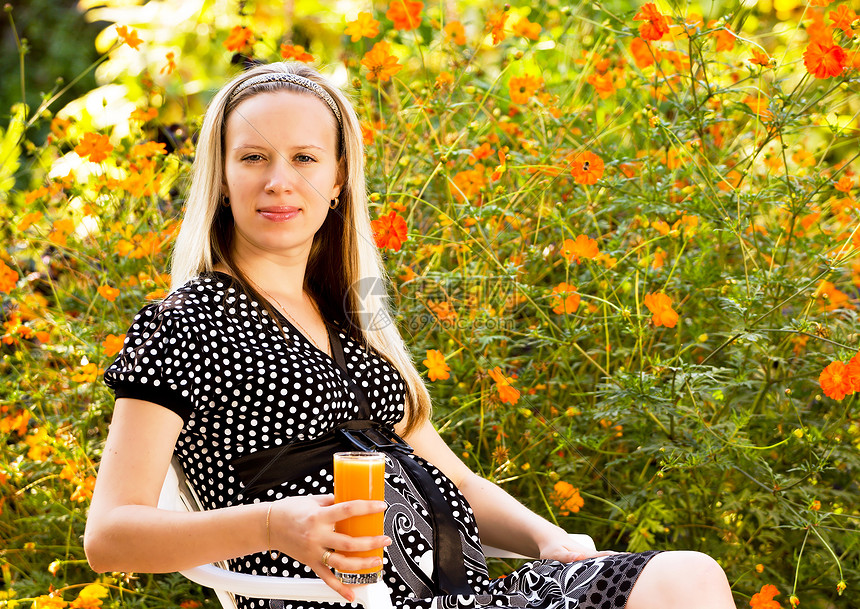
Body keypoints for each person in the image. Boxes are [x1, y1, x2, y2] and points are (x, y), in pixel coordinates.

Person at [84, 62, 735, 609]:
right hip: (336, 600)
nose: (279, 180)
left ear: (337, 181)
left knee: (687, 576)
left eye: (305, 158)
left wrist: (548, 537)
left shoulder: (349, 318)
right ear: (221, 178)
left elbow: (458, 481)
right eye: (253, 157)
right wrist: (275, 524)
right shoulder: (183, 322)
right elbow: (110, 535)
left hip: (464, 595)